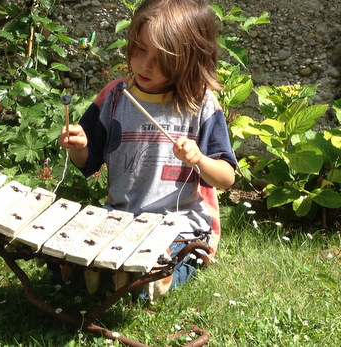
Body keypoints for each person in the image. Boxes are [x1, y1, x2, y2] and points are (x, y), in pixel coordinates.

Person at [58, 0, 236, 299]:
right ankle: (103, 273)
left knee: (142, 285)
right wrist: (80, 146)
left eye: (162, 58)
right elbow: (87, 163)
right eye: (139, 49)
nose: (144, 64)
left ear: (190, 59)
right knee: (64, 265)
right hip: (120, 218)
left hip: (179, 225)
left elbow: (226, 178)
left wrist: (199, 159)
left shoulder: (200, 104)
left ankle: (155, 277)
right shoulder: (115, 96)